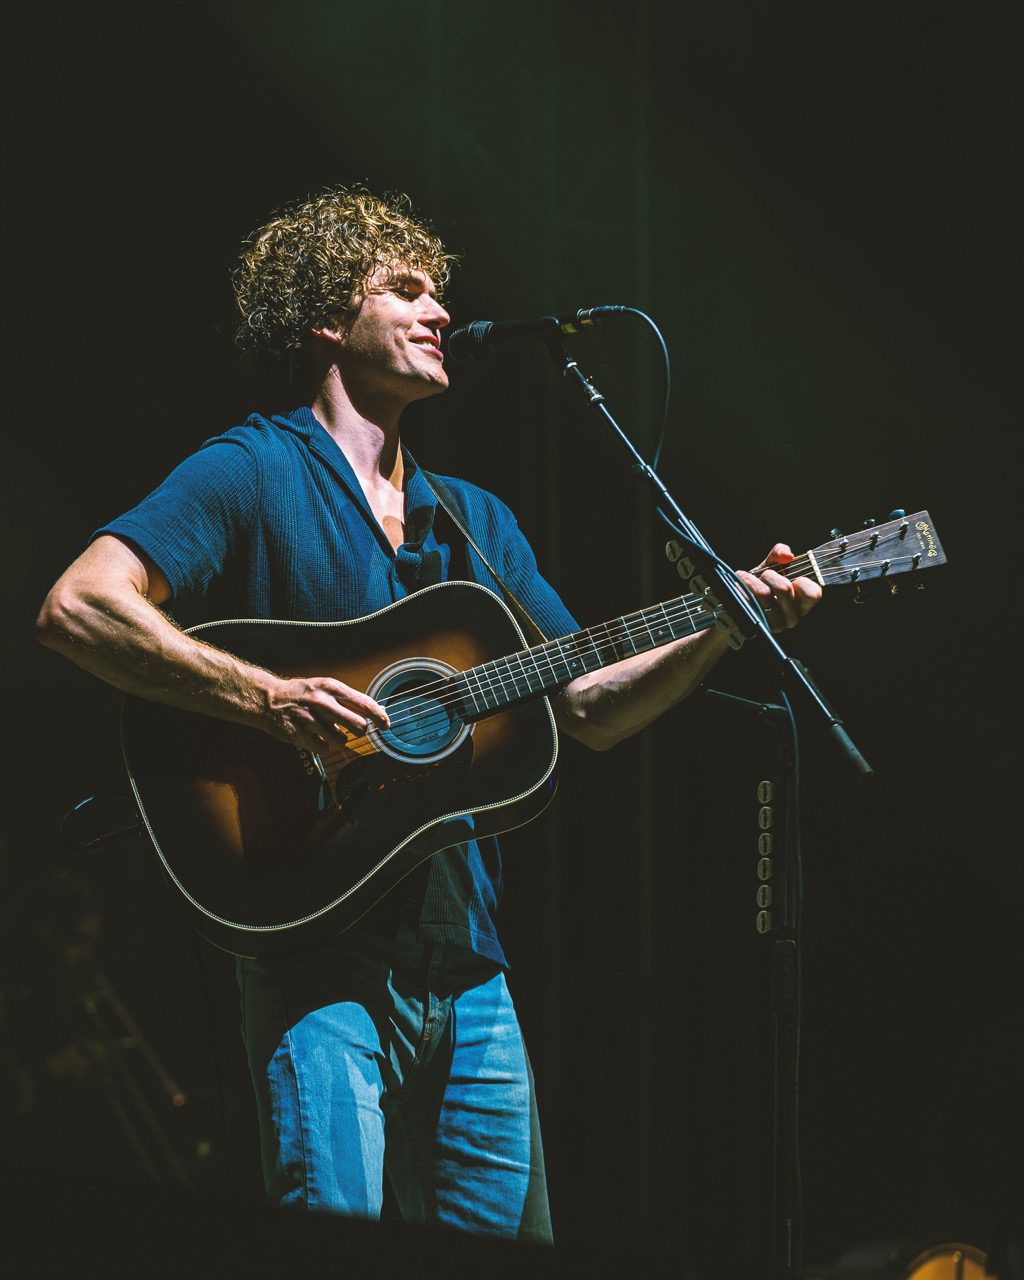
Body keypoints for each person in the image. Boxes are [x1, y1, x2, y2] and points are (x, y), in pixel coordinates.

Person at [35, 184, 821, 1242]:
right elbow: (79, 605)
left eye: (439, 293)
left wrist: (725, 621)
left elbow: (584, 703)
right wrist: (263, 697)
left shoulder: (476, 521)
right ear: (324, 317)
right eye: (405, 289)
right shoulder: (252, 468)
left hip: (468, 960)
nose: (440, 311)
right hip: (313, 939)